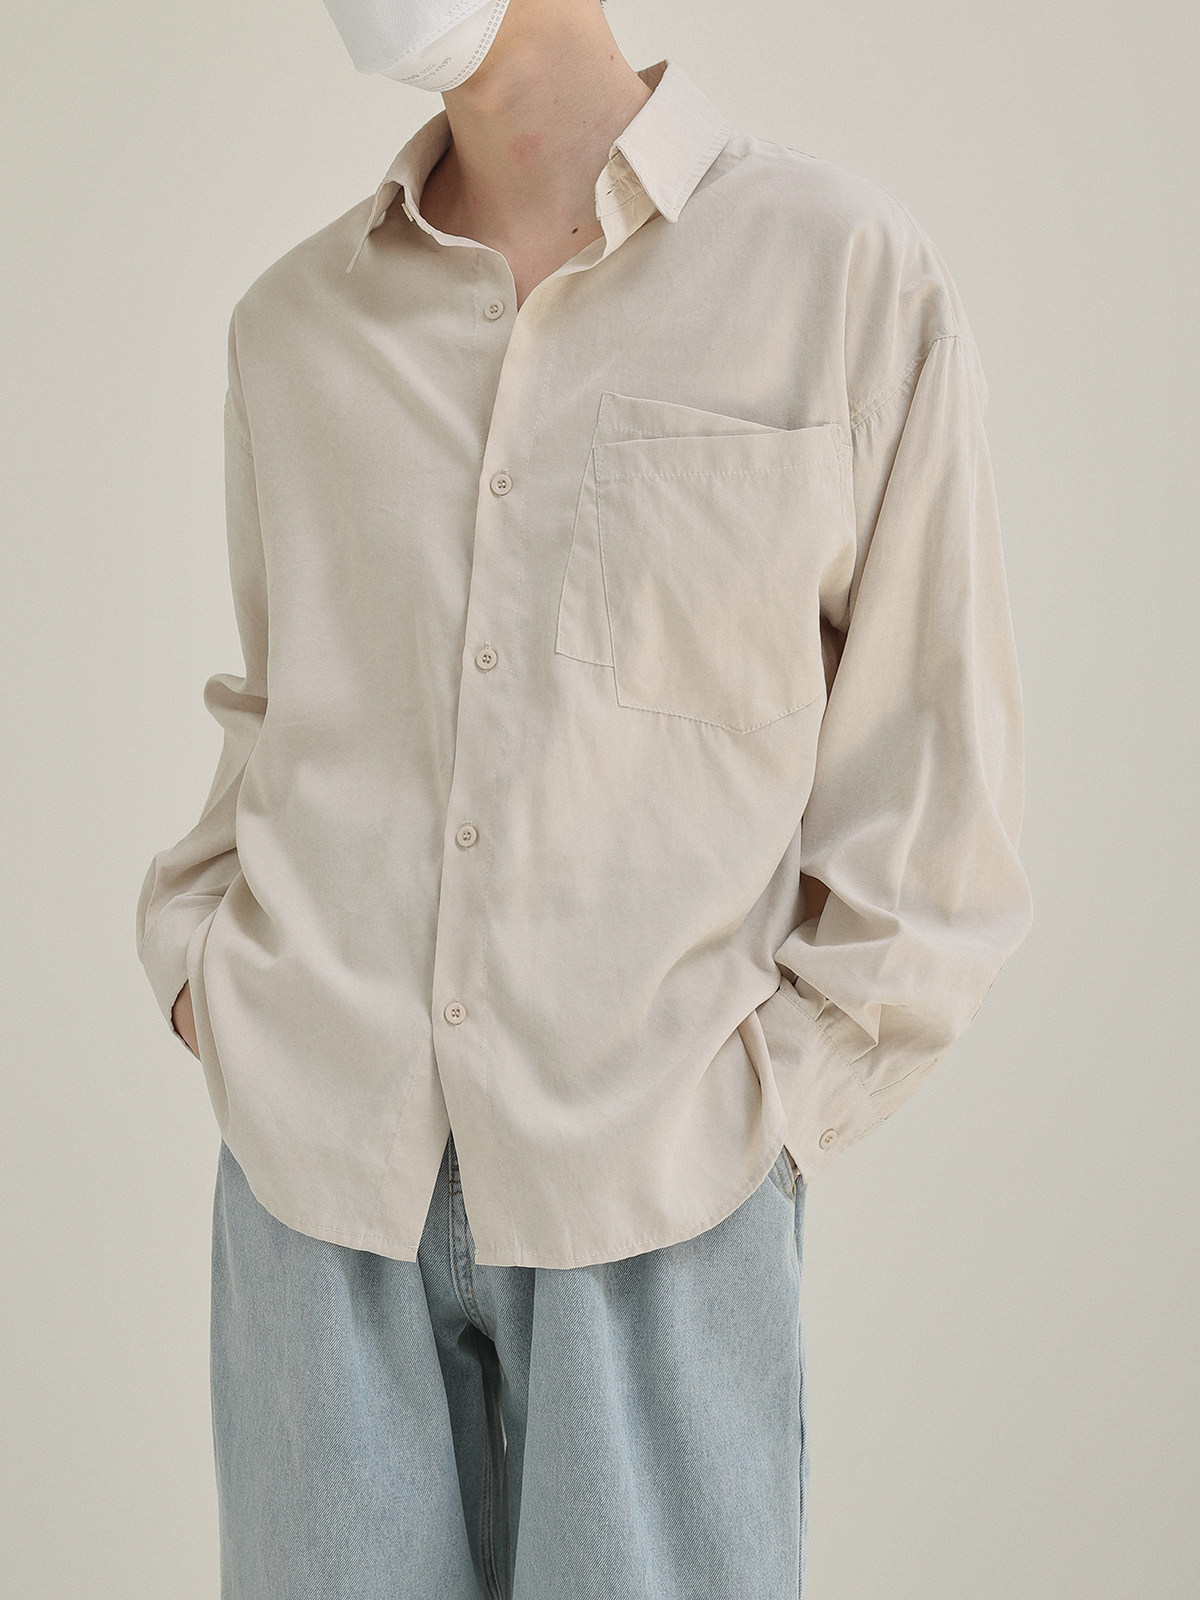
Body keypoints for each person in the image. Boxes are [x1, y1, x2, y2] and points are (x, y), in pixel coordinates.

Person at [135, 0, 1034, 1594]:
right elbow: (279, 713)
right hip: (316, 1191)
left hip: (662, 1202)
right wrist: (210, 976)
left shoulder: (842, 279)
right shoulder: (293, 327)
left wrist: (766, 1124)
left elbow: (935, 797)